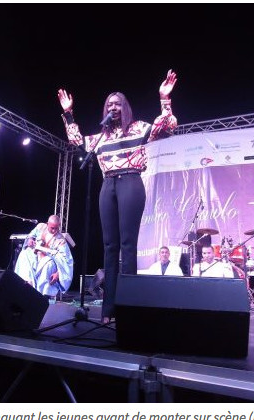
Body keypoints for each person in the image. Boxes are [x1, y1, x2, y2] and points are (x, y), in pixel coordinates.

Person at [58, 70, 178, 323]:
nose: (113, 107)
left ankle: (129, 307)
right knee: (109, 246)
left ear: (125, 108)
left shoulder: (139, 128)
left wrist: (164, 98)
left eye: (117, 104)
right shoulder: (101, 136)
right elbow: (76, 140)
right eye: (109, 104)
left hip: (131, 182)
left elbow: (167, 126)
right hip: (108, 185)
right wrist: (69, 113)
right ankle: (109, 309)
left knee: (127, 245)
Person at [14, 215, 74, 299]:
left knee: (48, 263)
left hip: (47, 261)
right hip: (36, 257)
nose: (54, 230)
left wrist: (58, 273)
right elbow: (31, 235)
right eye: (52, 228)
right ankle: (27, 285)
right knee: (25, 253)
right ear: (47, 224)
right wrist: (30, 239)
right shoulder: (41, 227)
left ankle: (42, 295)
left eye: (56, 228)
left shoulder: (61, 241)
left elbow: (66, 261)